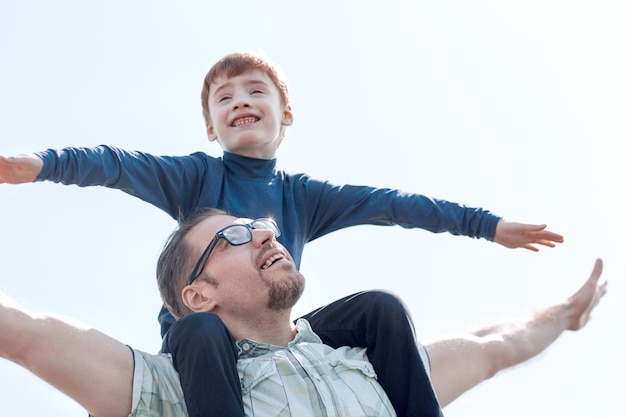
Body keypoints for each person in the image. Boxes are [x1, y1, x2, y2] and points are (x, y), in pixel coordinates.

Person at [0, 51, 564, 417]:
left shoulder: (304, 195)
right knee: (200, 333)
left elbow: (396, 206)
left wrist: (488, 226)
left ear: (284, 112)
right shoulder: (196, 175)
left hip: (274, 323)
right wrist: (40, 163)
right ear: (211, 125)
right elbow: (118, 163)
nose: (239, 101)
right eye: (223, 98)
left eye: (254, 91)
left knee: (380, 310)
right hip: (208, 340)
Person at [0, 208, 606, 417]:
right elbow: (24, 334)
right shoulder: (169, 390)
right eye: (237, 235)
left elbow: (494, 346)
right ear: (198, 295)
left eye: (264, 226)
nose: (266, 235)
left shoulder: (376, 371)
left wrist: (564, 315)